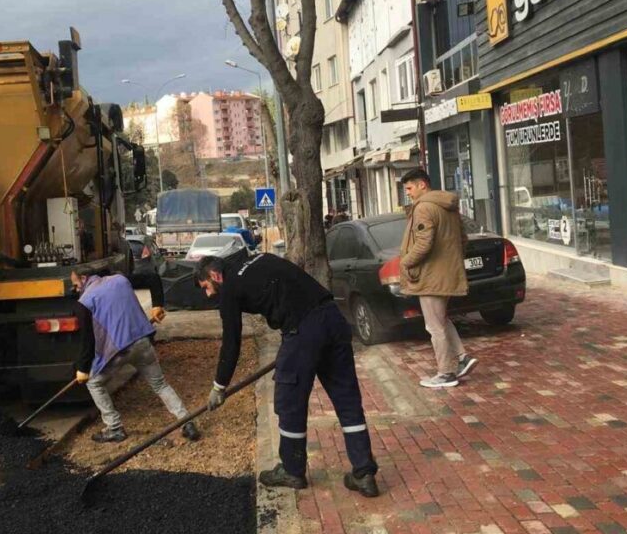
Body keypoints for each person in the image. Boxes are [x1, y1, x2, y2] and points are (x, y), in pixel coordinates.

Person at [195, 253, 380, 497]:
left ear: (214, 275)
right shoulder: (260, 258)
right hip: (333, 319)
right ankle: (364, 473)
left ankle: (292, 471)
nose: (209, 294)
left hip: (302, 328)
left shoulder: (230, 287)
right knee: (347, 398)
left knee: (289, 401)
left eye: (206, 287)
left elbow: (232, 343)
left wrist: (219, 386)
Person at [71, 268, 200, 443]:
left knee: (94, 383)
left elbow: (87, 339)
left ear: (84, 278)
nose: (76, 289)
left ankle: (114, 428)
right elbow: (153, 278)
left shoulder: (85, 301)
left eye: (76, 284)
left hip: (117, 352)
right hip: (142, 342)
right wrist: (157, 304)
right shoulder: (120, 280)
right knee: (160, 384)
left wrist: (82, 368)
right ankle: (187, 422)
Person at [398, 168, 479, 389]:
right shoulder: (448, 206)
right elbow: (463, 239)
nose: (408, 193)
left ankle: (446, 373)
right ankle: (462, 357)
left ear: (422, 185)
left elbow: (424, 243)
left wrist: (405, 262)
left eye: (410, 188)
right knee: (441, 320)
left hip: (431, 276)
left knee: (434, 327)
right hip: (446, 273)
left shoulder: (424, 207)